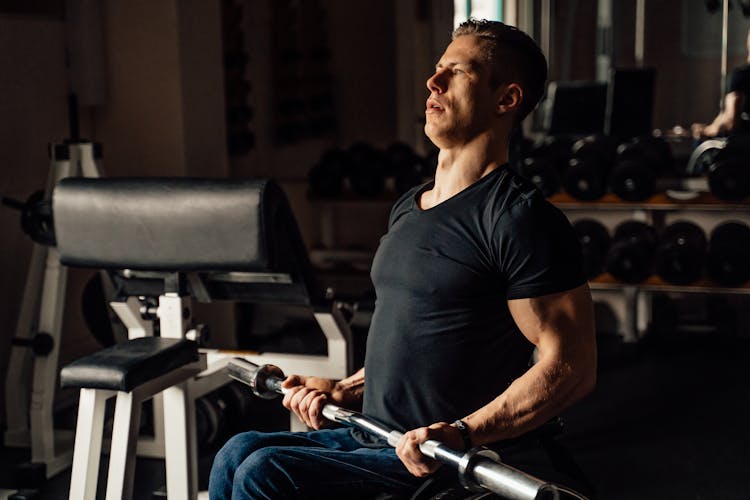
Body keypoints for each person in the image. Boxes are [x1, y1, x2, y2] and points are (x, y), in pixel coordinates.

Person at [209, 19, 597, 499]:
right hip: (374, 433)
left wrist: (463, 432)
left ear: (507, 99)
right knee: (237, 450)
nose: (433, 82)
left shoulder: (519, 219)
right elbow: (420, 342)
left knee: (266, 472)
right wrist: (344, 390)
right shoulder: (410, 207)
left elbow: (571, 366)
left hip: (438, 458)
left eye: (458, 72)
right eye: (437, 70)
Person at [691, 29, 750, 139]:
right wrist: (713, 126)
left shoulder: (740, 76)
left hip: (742, 147)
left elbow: (731, 122)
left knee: (701, 142)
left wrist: (707, 130)